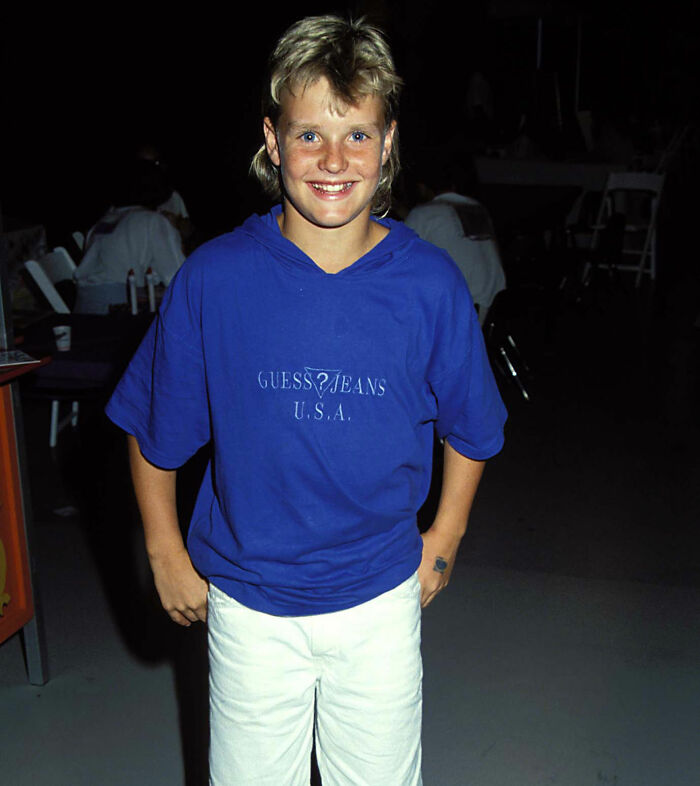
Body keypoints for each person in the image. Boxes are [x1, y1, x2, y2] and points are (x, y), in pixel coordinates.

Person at [105, 15, 506, 785]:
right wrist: (163, 552)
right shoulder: (214, 279)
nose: (332, 160)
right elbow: (154, 427)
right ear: (270, 138)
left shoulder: (429, 285)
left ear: (388, 143)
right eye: (308, 133)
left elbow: (474, 428)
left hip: (379, 601)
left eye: (357, 134)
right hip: (250, 610)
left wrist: (444, 539)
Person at [405, 151, 506, 322]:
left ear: (422, 187)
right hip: (492, 309)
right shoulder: (476, 208)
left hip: (458, 315)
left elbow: (397, 259)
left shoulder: (424, 213)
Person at [75, 160, 185, 314]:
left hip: (82, 311)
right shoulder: (152, 221)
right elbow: (178, 277)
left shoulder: (104, 220)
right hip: (120, 313)